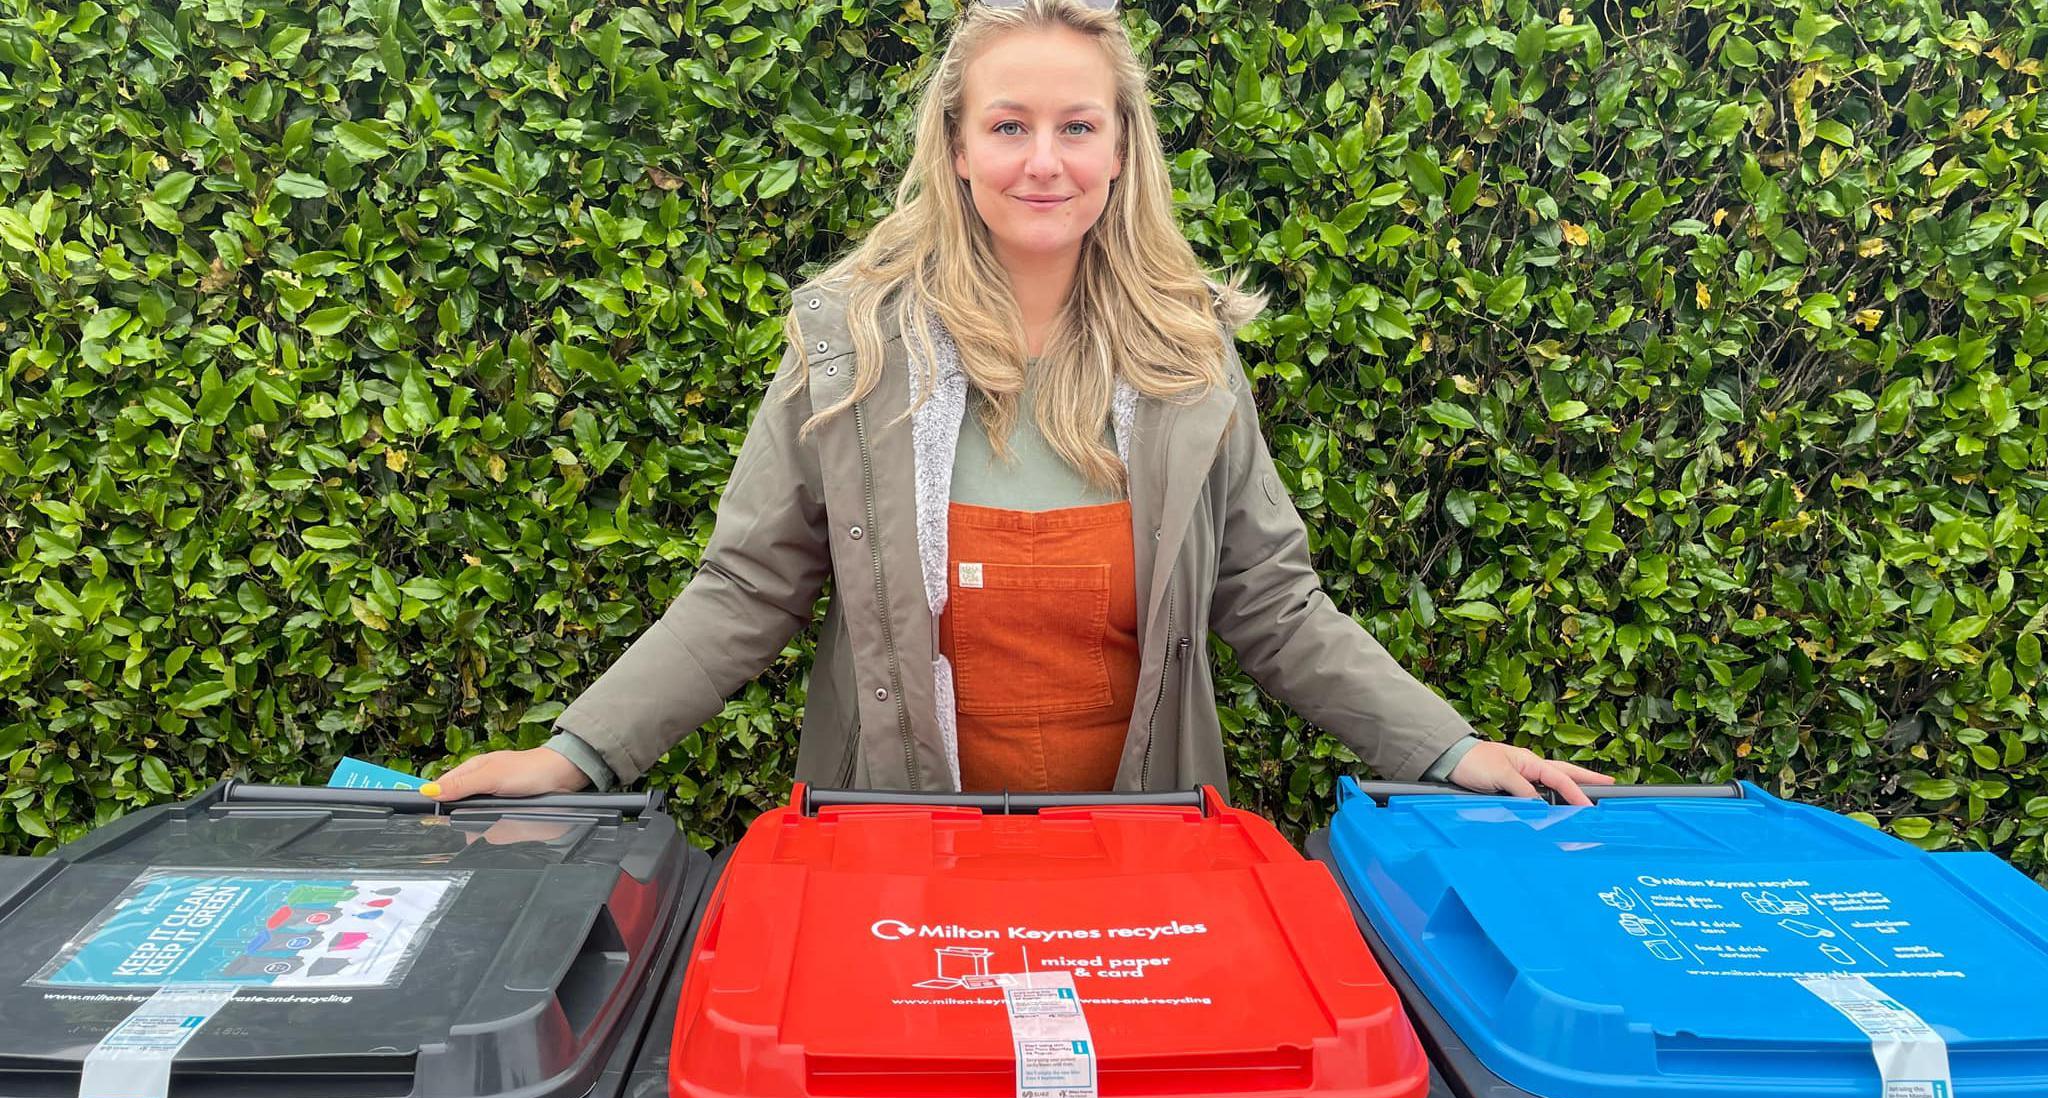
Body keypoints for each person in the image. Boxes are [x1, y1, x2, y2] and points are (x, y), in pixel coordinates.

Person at [424, 0, 1612, 805]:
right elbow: (746, 586)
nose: (1042, 159)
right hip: (898, 844)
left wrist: (1445, 747)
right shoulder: (850, 346)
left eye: (1074, 126)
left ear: (1118, 148)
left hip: (1139, 852)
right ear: (954, 145)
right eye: (1007, 126)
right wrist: (574, 756)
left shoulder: (1187, 361)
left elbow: (1272, 600)